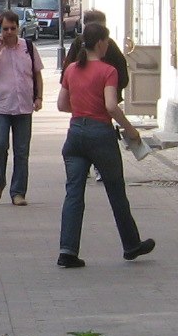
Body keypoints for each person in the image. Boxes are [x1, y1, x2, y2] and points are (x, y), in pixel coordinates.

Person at [54, 21, 155, 269]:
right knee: (116, 191)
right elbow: (111, 106)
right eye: (107, 41)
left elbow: (61, 105)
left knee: (74, 193)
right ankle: (131, 245)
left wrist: (81, 108)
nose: (108, 45)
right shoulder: (108, 71)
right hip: (100, 135)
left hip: (75, 133)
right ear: (100, 43)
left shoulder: (71, 70)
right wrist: (130, 129)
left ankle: (67, 250)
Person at [0, 10, 43, 206]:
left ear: (18, 28)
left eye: (13, 28)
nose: (10, 32)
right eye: (6, 29)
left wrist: (38, 97)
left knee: (21, 151)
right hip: (0, 106)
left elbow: (37, 73)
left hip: (23, 107)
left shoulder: (28, 47)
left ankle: (18, 192)